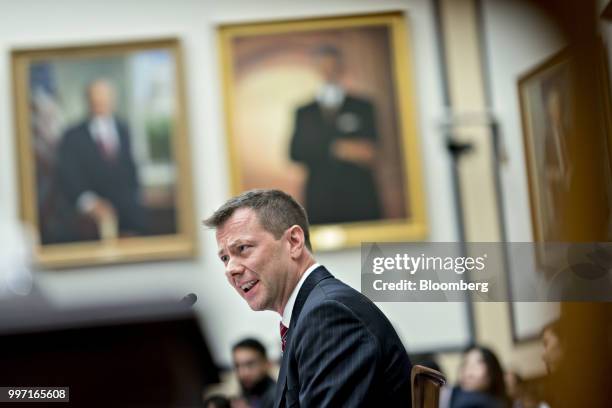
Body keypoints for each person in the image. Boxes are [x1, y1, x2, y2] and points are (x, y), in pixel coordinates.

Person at [203, 189, 411, 407]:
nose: (231, 269)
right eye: (224, 258)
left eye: (243, 248)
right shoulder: (309, 312)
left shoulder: (328, 315)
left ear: (294, 241)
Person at [289, 45, 382, 225]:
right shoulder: (305, 112)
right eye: (324, 66)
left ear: (341, 68)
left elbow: (372, 151)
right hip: (321, 199)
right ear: (317, 69)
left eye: (333, 66)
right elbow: (295, 152)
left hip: (359, 196)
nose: (328, 71)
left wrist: (318, 146)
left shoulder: (363, 107)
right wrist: (337, 148)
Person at [55, 79, 146, 241]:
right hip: (88, 221)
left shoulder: (124, 130)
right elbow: (68, 177)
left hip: (128, 216)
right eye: (96, 99)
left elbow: (131, 172)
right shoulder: (72, 136)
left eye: (104, 99)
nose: (100, 103)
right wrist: (90, 203)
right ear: (88, 101)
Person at [231, 338, 275, 408]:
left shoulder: (279, 398)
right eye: (237, 366)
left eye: (250, 364)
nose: (243, 373)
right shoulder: (246, 393)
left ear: (267, 364)